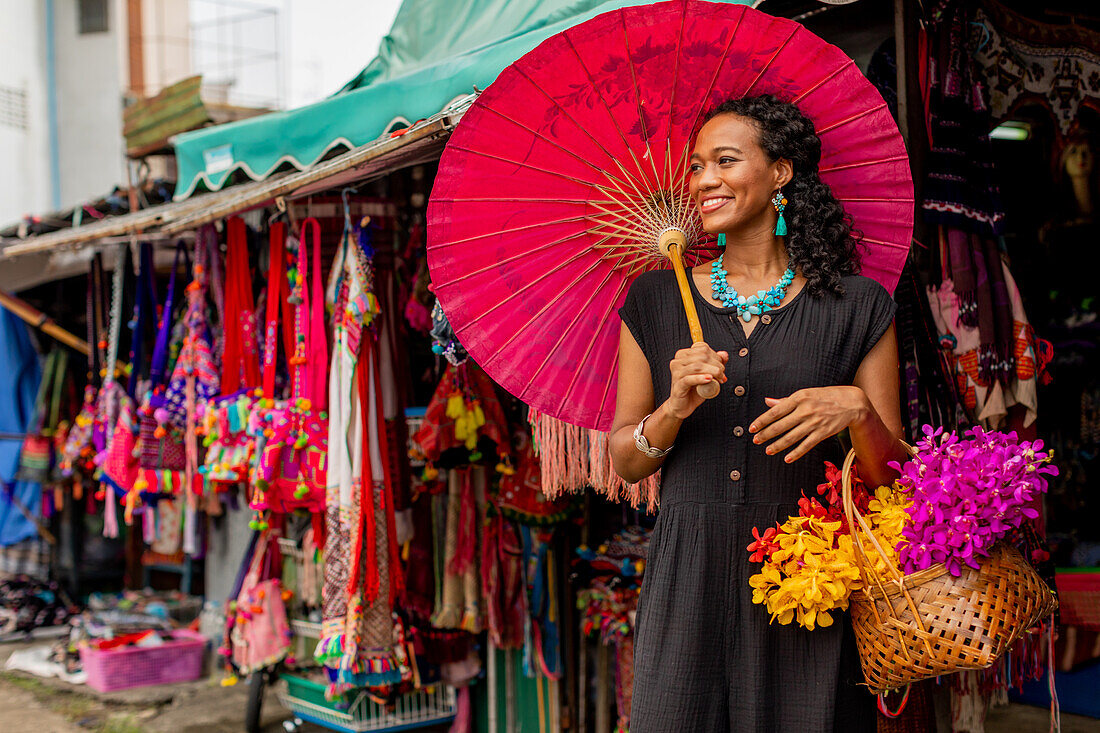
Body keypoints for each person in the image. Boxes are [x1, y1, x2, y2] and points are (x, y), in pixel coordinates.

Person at [610, 94, 909, 732]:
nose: (704, 181)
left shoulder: (856, 306)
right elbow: (628, 462)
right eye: (695, 167)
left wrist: (857, 411)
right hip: (688, 579)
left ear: (781, 172)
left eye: (725, 161)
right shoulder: (656, 298)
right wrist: (673, 407)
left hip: (808, 584)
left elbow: (897, 478)